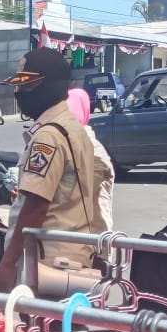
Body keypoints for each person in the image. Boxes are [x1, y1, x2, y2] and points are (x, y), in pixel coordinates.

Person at [0, 48, 96, 292]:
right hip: (72, 253)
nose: (19, 94)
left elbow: (37, 205)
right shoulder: (72, 127)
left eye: (27, 86)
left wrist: (7, 263)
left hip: (49, 263)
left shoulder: (48, 136)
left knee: (42, 328)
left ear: (49, 86)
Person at [67, 87, 115, 232]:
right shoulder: (69, 144)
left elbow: (74, 196)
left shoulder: (90, 149)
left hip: (91, 242)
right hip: (75, 237)